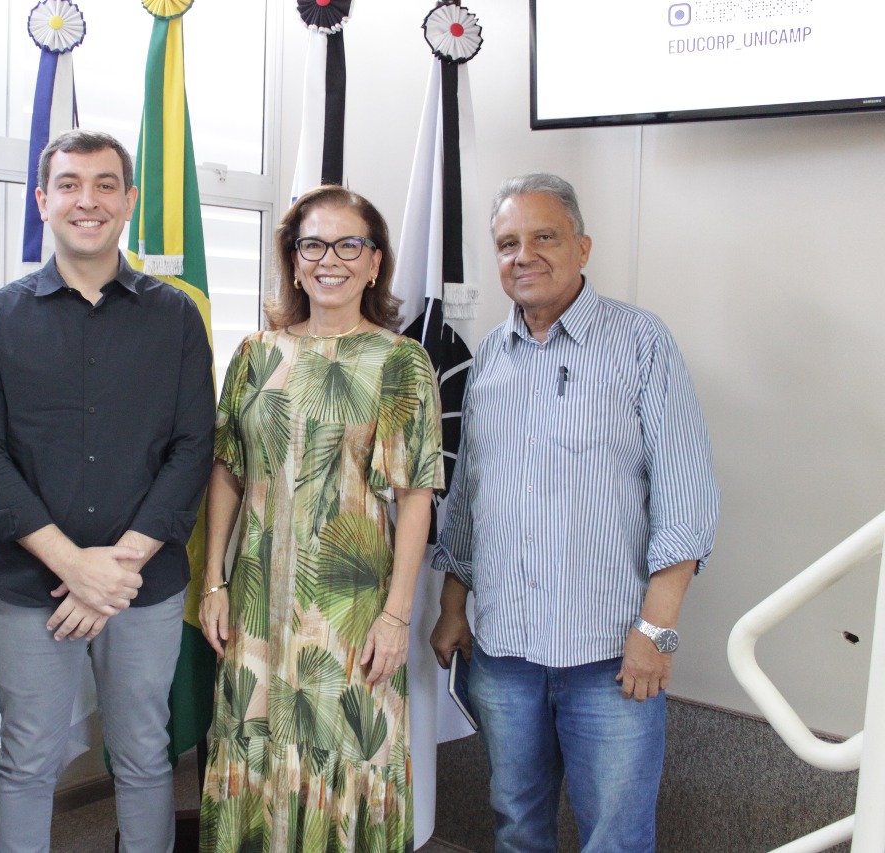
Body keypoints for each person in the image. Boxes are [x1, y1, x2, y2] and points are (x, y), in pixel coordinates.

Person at [430, 173, 719, 852]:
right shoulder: (491, 360)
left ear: (582, 247)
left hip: (612, 656)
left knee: (614, 838)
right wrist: (451, 607)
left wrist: (658, 630)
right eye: (507, 242)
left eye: (543, 237)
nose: (523, 254)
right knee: (516, 826)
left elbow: (686, 494)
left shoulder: (642, 342)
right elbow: (471, 497)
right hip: (502, 652)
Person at [0, 129, 214, 853]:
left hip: (145, 584)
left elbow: (194, 448)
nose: (87, 199)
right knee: (28, 758)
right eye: (69, 183)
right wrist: (74, 565)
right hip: (30, 584)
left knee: (141, 753)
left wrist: (115, 567)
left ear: (129, 200)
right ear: (43, 201)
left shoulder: (177, 317)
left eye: (105, 184)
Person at [198, 185, 443, 853]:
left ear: (374, 262)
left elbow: (416, 493)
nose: (328, 258)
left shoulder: (399, 361)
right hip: (255, 605)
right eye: (313, 244)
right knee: (252, 752)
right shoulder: (255, 353)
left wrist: (398, 615)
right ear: (294, 259)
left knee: (347, 759)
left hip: (351, 613)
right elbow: (227, 467)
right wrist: (213, 582)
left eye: (348, 244)